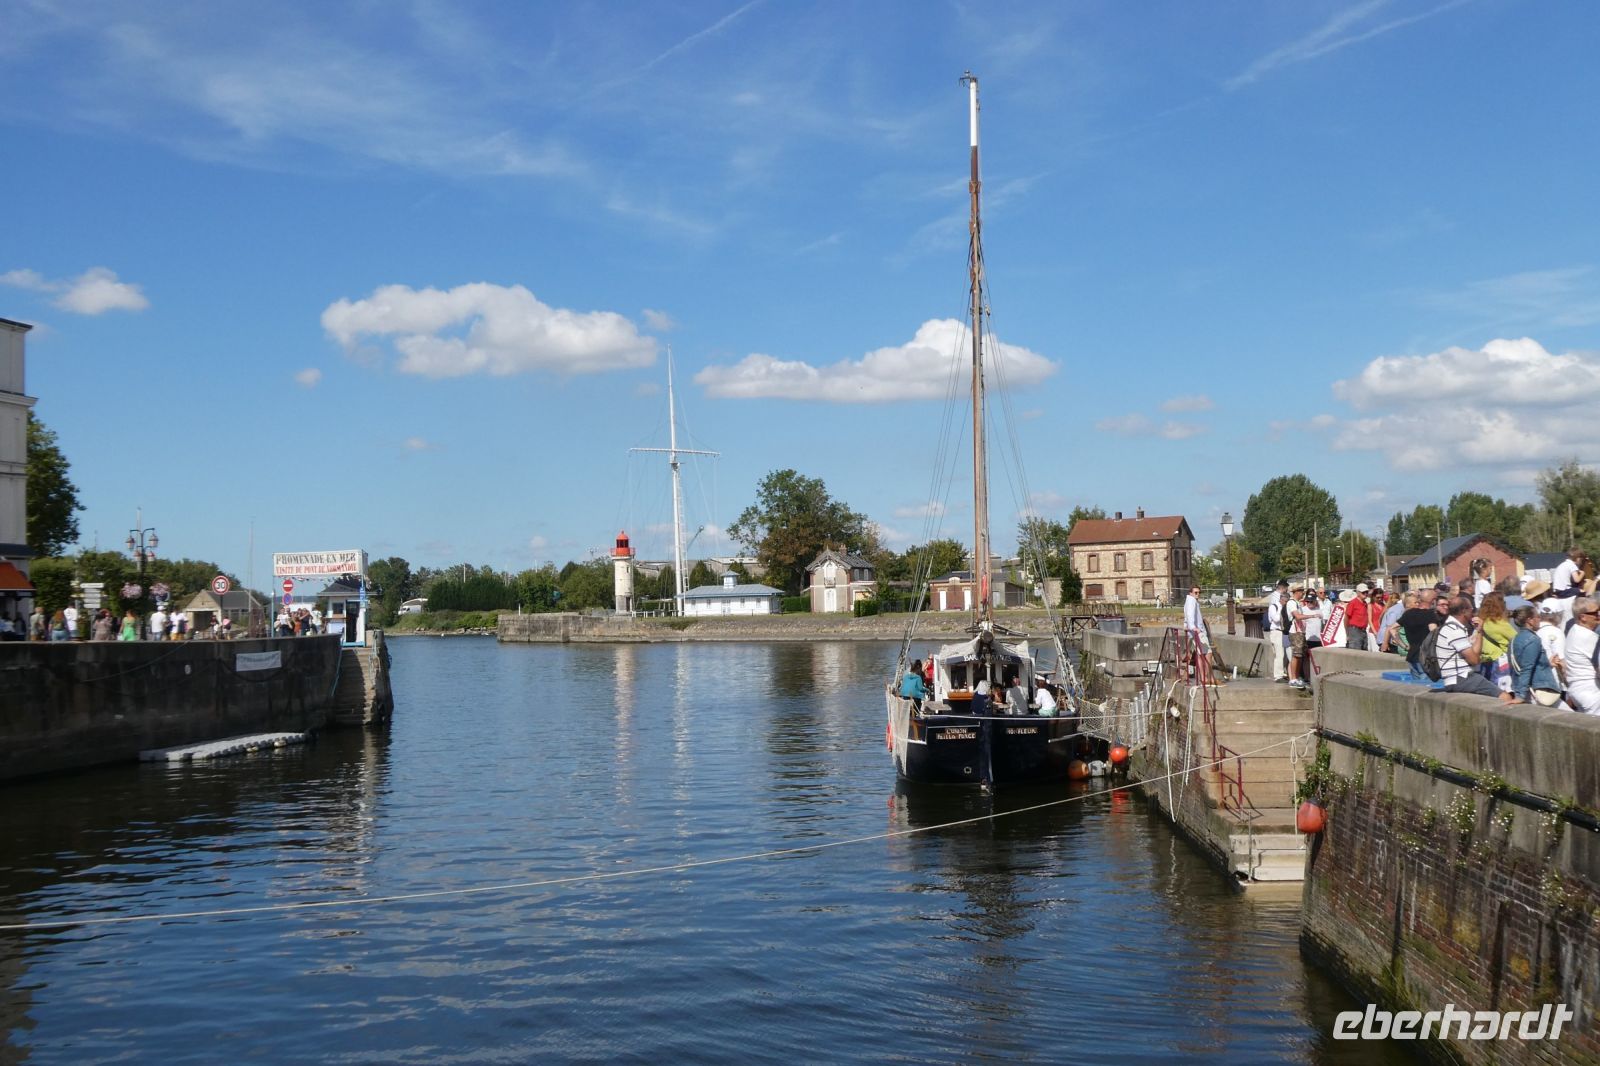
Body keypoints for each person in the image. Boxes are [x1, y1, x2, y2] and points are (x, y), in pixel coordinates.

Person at [1436, 596, 1500, 698]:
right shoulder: (1454, 630)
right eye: (1471, 609)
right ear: (1464, 611)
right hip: (1461, 677)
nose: (1473, 612)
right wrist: (1479, 632)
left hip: (1457, 677)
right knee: (1504, 696)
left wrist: (1479, 631)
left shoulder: (1453, 627)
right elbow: (1474, 660)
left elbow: (1474, 653)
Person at [1505, 605, 1563, 706]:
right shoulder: (1533, 640)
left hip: (1526, 689)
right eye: (1538, 617)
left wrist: (1547, 664)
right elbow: (1527, 668)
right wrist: (1520, 696)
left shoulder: (1514, 639)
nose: (1539, 619)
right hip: (1536, 692)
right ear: (1530, 620)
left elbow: (1521, 664)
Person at [1564, 597, 1600, 715]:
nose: (1598, 615)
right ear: (1582, 617)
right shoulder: (1587, 637)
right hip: (1591, 692)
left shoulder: (1574, 630)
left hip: (1578, 690)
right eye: (1595, 613)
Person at [1398, 590, 1442, 681]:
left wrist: (1404, 646)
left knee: (1415, 687)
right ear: (1433, 601)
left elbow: (1392, 629)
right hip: (1425, 658)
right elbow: (1433, 632)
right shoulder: (1430, 615)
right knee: (1426, 686)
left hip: (1411, 655)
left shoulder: (1408, 613)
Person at [1477, 592, 1516, 690]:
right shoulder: (1500, 624)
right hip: (1500, 662)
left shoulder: (1483, 621)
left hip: (1485, 661)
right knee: (1503, 691)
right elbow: (1517, 639)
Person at [1183, 585, 1216, 685]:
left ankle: (1203, 677)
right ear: (1191, 593)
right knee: (1208, 653)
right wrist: (1193, 627)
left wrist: (1186, 625)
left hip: (1195, 632)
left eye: (1199, 592)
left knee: (1200, 654)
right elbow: (1190, 615)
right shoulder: (1191, 601)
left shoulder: (1189, 601)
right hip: (1198, 632)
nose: (1198, 594)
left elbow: (1187, 616)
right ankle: (1208, 677)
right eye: (1196, 592)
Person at [1265, 579, 1289, 682]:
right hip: (1276, 631)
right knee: (1279, 654)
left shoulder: (1277, 599)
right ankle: (1278, 675)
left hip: (1284, 632)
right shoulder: (1274, 603)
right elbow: (1275, 619)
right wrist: (1282, 608)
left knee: (1284, 655)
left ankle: (1284, 672)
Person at [1344, 583, 1372, 651]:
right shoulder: (1353, 603)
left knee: (1364, 650)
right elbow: (1346, 619)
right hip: (1355, 630)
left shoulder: (1365, 603)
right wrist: (1347, 633)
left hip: (1363, 630)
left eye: (1366, 592)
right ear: (1358, 593)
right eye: (1363, 592)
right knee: (1356, 652)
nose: (1365, 594)